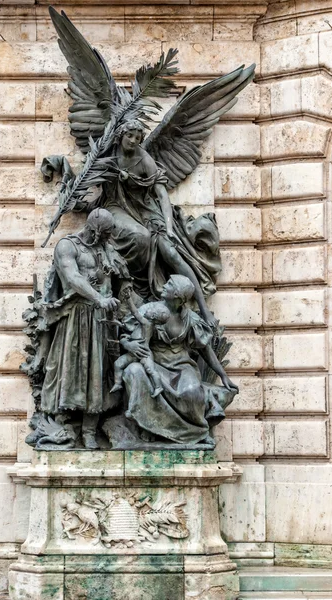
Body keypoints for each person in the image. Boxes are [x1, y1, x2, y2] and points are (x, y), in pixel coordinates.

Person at [74, 119, 221, 327]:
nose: (133, 141)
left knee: (171, 253)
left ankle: (205, 311)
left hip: (147, 210)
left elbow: (161, 194)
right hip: (116, 206)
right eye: (129, 136)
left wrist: (169, 228)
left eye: (137, 137)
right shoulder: (106, 153)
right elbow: (85, 181)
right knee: (140, 237)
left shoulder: (143, 158)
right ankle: (134, 289)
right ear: (120, 135)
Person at [40, 208, 129, 449]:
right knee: (71, 371)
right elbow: (72, 278)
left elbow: (118, 279)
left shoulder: (105, 249)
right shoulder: (67, 246)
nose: (109, 237)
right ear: (96, 230)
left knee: (98, 374)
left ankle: (90, 431)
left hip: (102, 320)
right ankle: (62, 425)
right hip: (75, 317)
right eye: (106, 233)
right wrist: (98, 298)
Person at [121, 275, 239, 446]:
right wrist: (129, 345)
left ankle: (198, 432)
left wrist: (223, 375)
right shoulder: (150, 310)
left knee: (192, 391)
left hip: (182, 366)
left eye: (169, 284)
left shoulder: (191, 319)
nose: (164, 285)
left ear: (177, 296)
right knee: (133, 371)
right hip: (154, 362)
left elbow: (205, 350)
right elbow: (124, 334)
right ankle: (150, 428)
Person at [110, 300, 171, 398]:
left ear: (153, 317)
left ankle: (158, 387)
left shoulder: (147, 323)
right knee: (118, 363)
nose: (147, 310)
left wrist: (129, 300)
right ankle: (118, 383)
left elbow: (135, 313)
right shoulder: (144, 324)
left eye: (150, 310)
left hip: (144, 354)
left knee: (151, 370)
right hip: (132, 354)